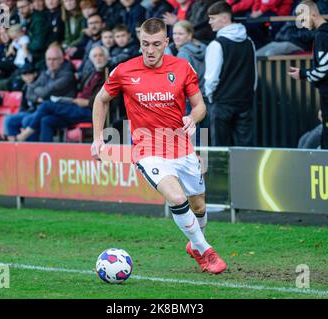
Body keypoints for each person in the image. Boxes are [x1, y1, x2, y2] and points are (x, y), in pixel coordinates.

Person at [90, 18, 227, 274]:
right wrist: (98, 138)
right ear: (139, 42)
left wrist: (192, 118)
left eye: (155, 44)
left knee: (198, 206)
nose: (150, 51)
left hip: (182, 148)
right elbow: (101, 99)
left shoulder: (183, 67)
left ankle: (195, 244)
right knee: (176, 197)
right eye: (144, 44)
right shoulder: (124, 70)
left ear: (166, 42)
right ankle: (206, 252)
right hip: (147, 149)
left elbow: (200, 106)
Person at [288, 0, 328, 150]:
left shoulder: (322, 36)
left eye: (303, 18)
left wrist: (303, 74)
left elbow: (326, 68)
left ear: (313, 13)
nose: (302, 23)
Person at [205, 1, 256, 147]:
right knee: (245, 149)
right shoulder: (250, 42)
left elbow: (211, 79)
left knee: (220, 150)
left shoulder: (216, 45)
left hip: (222, 103)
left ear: (225, 19)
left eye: (213, 18)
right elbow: (254, 78)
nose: (209, 22)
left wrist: (211, 97)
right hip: (245, 102)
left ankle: (221, 172)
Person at [14, 44, 77, 141]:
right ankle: (28, 151)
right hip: (47, 111)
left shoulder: (67, 75)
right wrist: (39, 95)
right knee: (14, 120)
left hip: (64, 111)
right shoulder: (46, 73)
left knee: (33, 119)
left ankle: (38, 149)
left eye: (54, 59)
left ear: (61, 59)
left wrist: (40, 92)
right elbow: (30, 92)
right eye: (48, 59)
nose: (51, 62)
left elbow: (45, 91)